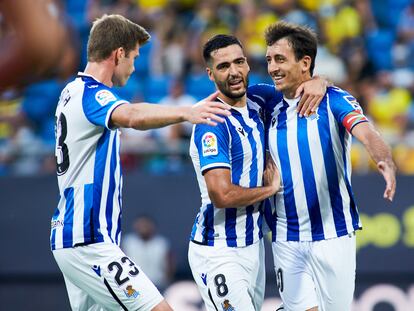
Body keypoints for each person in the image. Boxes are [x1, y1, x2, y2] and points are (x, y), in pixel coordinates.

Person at [50, 14, 232, 311]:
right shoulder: (91, 94)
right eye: (133, 57)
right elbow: (133, 116)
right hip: (88, 240)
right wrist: (186, 112)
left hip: (74, 236)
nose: (135, 66)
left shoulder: (70, 92)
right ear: (118, 54)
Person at [260, 21, 396, 311]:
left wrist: (384, 160)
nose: (272, 67)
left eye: (280, 59)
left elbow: (367, 132)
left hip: (334, 236)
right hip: (286, 235)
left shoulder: (335, 100)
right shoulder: (267, 102)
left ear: (305, 62)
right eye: (269, 60)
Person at [187, 34, 327, 311]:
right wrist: (269, 189)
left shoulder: (259, 101)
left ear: (248, 64)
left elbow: (301, 83)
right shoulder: (211, 122)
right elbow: (222, 194)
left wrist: (319, 81)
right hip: (218, 249)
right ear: (210, 74)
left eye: (239, 62)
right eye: (224, 66)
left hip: (254, 246)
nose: (234, 72)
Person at [122, 215, 175, 292]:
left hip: (158, 284)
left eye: (146, 225)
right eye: (141, 224)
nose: (144, 227)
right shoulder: (128, 242)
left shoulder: (162, 243)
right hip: (134, 284)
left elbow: (170, 265)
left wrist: (167, 283)